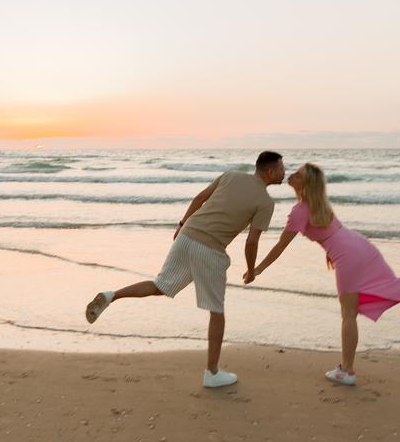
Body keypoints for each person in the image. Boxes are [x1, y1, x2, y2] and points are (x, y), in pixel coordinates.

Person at [244, 162, 400, 386]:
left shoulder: (298, 211)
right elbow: (332, 231)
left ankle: (346, 370)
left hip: (347, 255)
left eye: (298, 174)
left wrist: (258, 268)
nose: (292, 175)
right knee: (391, 286)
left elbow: (280, 246)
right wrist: (329, 252)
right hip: (360, 245)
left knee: (348, 314)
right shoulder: (321, 203)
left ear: (304, 185)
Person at [85, 151, 286, 387]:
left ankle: (112, 295)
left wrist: (182, 224)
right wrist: (251, 270)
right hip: (209, 250)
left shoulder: (230, 176)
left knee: (160, 286)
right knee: (217, 312)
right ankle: (212, 373)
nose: (285, 172)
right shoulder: (265, 202)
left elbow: (199, 198)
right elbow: (251, 242)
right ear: (271, 172)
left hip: (187, 235)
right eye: (282, 168)